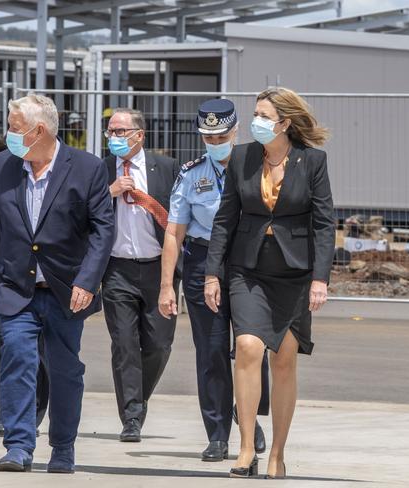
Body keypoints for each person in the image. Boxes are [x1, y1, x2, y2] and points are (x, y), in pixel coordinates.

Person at [0, 94, 115, 474]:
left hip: (66, 292)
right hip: (14, 288)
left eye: (14, 128)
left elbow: (102, 231)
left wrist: (88, 280)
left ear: (39, 130)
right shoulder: (3, 166)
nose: (9, 134)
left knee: (65, 371)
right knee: (16, 358)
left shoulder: (87, 168)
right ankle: (18, 446)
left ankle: (62, 447)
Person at [204, 87, 335, 478]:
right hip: (248, 270)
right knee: (246, 346)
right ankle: (246, 448)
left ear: (285, 122)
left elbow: (325, 223)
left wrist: (320, 279)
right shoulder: (242, 157)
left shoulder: (313, 161)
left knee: (283, 361)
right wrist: (212, 272)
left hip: (295, 275)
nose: (256, 121)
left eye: (263, 115)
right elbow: (225, 218)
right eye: (255, 114)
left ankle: (277, 452)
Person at [158, 99, 269, 462]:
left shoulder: (257, 168)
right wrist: (165, 286)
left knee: (252, 346)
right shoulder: (191, 175)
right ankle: (218, 434)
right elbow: (174, 233)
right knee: (211, 351)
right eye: (208, 137)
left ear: (235, 131)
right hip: (202, 261)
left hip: (247, 263)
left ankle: (250, 420)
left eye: (221, 135)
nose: (215, 141)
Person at [102, 108, 180, 442]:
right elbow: (81, 212)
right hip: (117, 269)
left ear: (139, 134)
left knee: (159, 345)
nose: (114, 138)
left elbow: (179, 220)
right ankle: (131, 415)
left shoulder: (166, 169)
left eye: (121, 131)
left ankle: (139, 399)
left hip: (158, 268)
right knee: (123, 344)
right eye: (110, 132)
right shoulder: (101, 170)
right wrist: (110, 192)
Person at [0, 135, 49, 437]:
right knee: (4, 342)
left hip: (43, 277)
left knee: (37, 350)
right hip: (3, 276)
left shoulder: (52, 175)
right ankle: (6, 403)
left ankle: (28, 410)